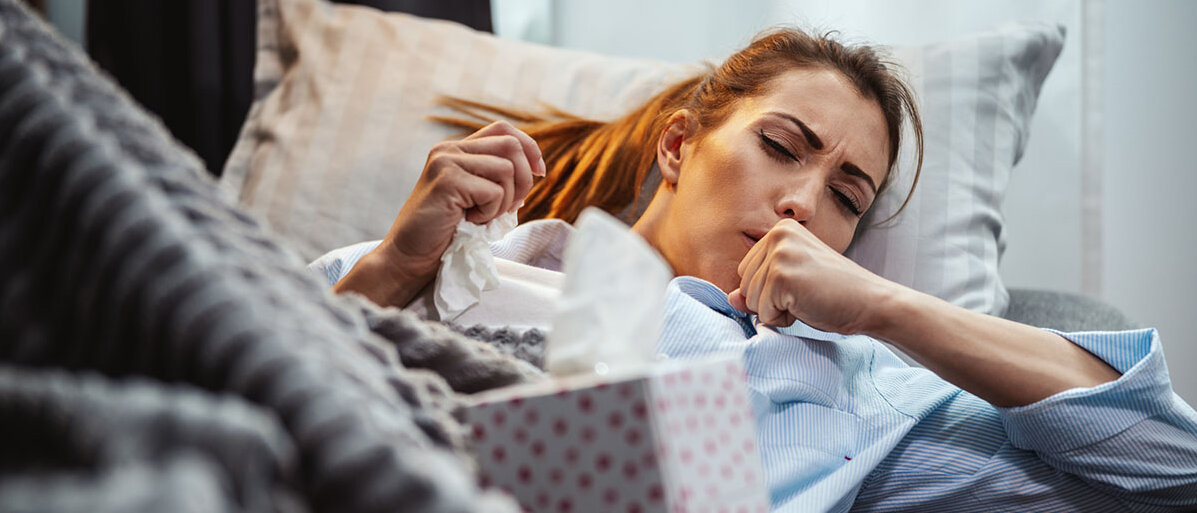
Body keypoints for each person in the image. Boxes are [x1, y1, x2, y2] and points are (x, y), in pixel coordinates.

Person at [314, 28, 1197, 512]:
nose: (805, 203)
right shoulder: (443, 266)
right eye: (781, 147)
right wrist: (396, 267)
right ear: (677, 145)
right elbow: (252, 373)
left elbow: (1170, 466)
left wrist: (885, 309)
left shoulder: (855, 382)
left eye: (847, 197)